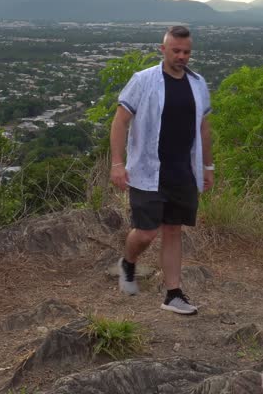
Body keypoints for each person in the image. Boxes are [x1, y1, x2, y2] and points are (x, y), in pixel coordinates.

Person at [109, 25, 213, 315]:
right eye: (176, 50)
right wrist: (117, 163)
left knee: (173, 230)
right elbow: (120, 122)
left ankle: (173, 294)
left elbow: (204, 127)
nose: (182, 56)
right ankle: (128, 262)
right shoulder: (143, 81)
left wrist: (207, 166)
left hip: (183, 170)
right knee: (146, 233)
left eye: (186, 52)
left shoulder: (198, 83)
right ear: (163, 49)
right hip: (147, 168)